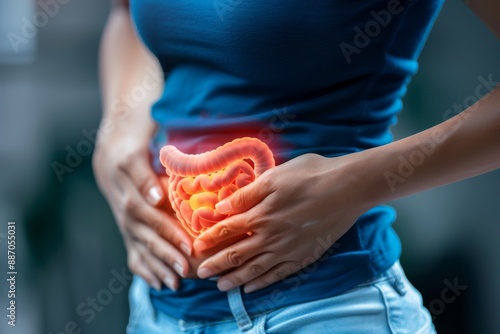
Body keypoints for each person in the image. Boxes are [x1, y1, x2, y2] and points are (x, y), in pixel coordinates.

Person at [93, 0, 500, 332]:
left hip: (326, 312)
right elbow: (126, 13)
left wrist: (354, 182)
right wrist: (120, 128)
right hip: (155, 311)